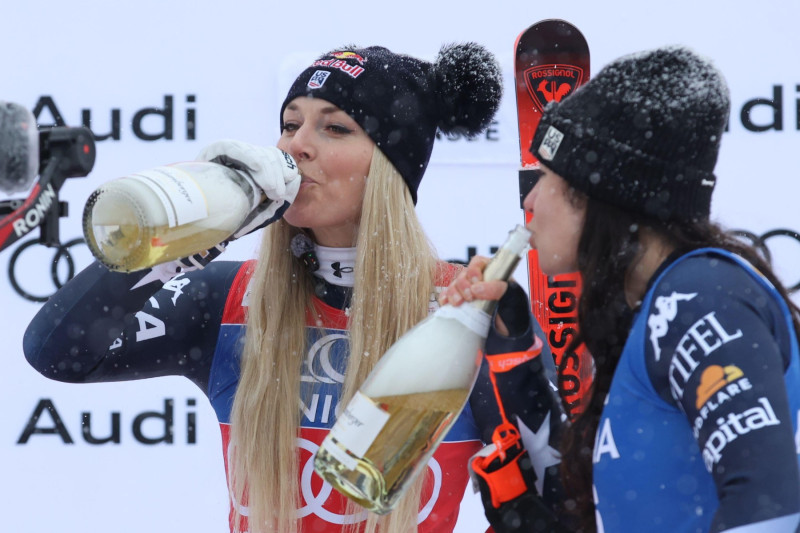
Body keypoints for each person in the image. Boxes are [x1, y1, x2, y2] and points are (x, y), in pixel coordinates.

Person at [23, 43, 535, 533]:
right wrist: (181, 238)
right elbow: (56, 351)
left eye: (335, 127)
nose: (296, 145)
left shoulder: (464, 309)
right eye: (290, 125)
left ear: (389, 167)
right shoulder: (227, 298)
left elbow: (544, 499)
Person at [442, 45, 800, 532]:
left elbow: (769, 509)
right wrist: (513, 344)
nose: (530, 200)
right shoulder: (660, 306)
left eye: (543, 177)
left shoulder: (699, 299)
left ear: (597, 194)